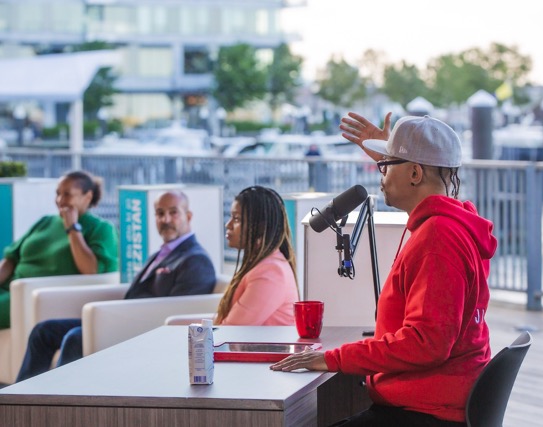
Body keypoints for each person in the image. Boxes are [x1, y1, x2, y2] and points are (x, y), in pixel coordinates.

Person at [271, 113, 498, 427]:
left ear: (415, 173)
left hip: (426, 411)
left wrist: (331, 358)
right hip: (434, 400)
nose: (379, 174)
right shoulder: (451, 224)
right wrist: (394, 160)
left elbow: (426, 343)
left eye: (385, 166)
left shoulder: (437, 239)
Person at [16, 190, 217, 381]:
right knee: (44, 331)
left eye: (173, 213)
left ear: (188, 216)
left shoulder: (196, 259)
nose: (165, 220)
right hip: (124, 320)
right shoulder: (162, 254)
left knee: (76, 337)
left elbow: (181, 311)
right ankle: (19, 402)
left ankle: (53, 405)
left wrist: (118, 317)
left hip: (147, 329)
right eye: (159, 213)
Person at [0, 170, 118, 329]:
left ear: (87, 196)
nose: (60, 200)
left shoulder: (101, 229)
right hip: (9, 289)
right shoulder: (46, 221)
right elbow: (11, 258)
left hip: (34, 297)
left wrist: (73, 229)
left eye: (67, 195)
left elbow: (92, 270)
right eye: (58, 194)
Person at [215, 185, 299, 325]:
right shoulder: (263, 264)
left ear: (260, 226)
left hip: (257, 347)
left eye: (236, 219)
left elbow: (232, 330)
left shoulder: (271, 272)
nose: (228, 225)